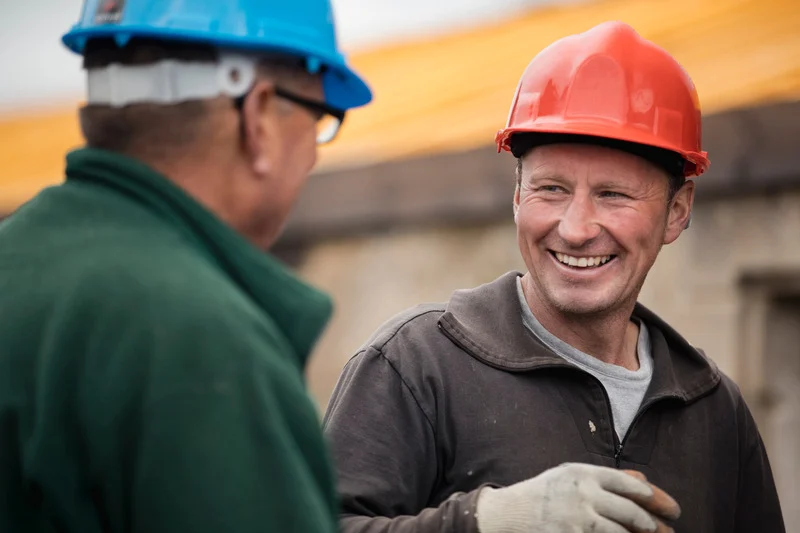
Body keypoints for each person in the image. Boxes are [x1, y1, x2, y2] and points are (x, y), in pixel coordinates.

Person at [322, 21, 786, 533]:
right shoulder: (415, 368)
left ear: (677, 211)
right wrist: (485, 522)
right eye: (551, 189)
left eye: (613, 194)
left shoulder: (715, 411)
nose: (576, 228)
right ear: (517, 196)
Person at [0, 1, 371, 532]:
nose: (312, 155)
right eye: (319, 122)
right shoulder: (200, 340)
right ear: (259, 116)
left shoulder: (16, 262)